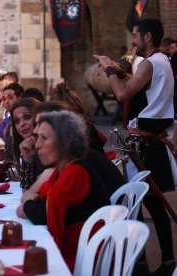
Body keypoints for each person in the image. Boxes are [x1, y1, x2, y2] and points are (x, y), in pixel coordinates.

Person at [94, 18, 176, 275]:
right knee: (148, 206)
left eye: (136, 36)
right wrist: (120, 72)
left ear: (148, 37)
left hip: (147, 147)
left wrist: (108, 68)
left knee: (138, 205)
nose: (133, 41)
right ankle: (160, 261)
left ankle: (146, 264)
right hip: (149, 144)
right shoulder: (162, 62)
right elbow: (140, 84)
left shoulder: (152, 62)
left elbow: (122, 93)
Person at [22, 110, 110, 271]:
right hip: (77, 248)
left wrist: (28, 203)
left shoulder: (75, 172)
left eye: (45, 138)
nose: (37, 145)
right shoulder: (62, 169)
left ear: (67, 142)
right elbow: (42, 203)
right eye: (37, 137)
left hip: (84, 258)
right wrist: (31, 204)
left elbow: (43, 213)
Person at [9, 98, 44, 190]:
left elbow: (31, 193)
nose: (22, 124)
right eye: (17, 121)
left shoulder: (46, 149)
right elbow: (26, 190)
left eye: (27, 117)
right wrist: (27, 160)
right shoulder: (26, 147)